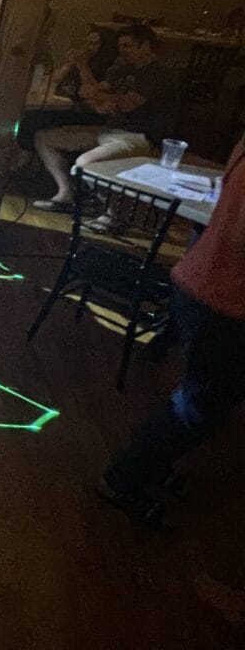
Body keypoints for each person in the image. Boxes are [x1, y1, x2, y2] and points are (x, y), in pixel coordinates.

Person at [99, 133, 245, 521]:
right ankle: (122, 480)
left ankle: (153, 464)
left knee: (198, 397)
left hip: (199, 285)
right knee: (199, 409)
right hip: (225, 302)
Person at [32, 24, 178, 212]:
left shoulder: (159, 74)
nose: (122, 51)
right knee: (43, 138)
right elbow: (89, 92)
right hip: (109, 130)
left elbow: (127, 104)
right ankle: (66, 193)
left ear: (146, 45)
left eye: (127, 46)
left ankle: (114, 215)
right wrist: (83, 67)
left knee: (85, 163)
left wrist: (100, 97)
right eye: (120, 46)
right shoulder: (122, 69)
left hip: (140, 137)